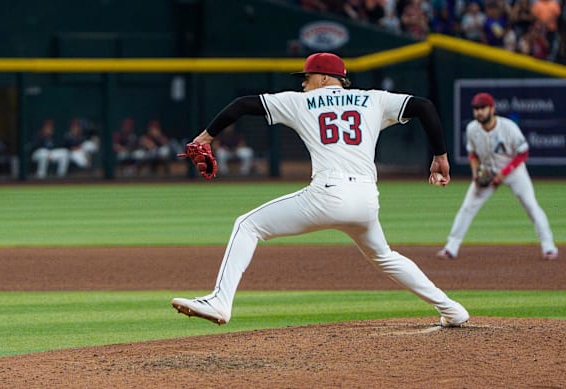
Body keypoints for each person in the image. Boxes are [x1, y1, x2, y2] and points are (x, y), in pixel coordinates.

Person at [171, 52, 469, 327]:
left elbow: (243, 105)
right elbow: (424, 106)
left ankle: (220, 302)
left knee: (247, 225)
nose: (303, 83)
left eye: (307, 76)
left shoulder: (300, 102)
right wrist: (440, 156)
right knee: (384, 256)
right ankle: (451, 309)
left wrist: (205, 137)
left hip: (328, 194)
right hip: (366, 200)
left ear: (324, 78)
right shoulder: (373, 100)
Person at [436, 92, 558, 261]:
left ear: (492, 109)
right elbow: (472, 153)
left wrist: (503, 174)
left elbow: (523, 153)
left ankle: (548, 246)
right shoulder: (472, 128)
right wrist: (475, 174)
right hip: (486, 171)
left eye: (482, 108)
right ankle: (451, 248)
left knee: (531, 205)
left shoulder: (508, 127)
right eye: (476, 108)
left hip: (514, 171)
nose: (479, 112)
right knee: (467, 207)